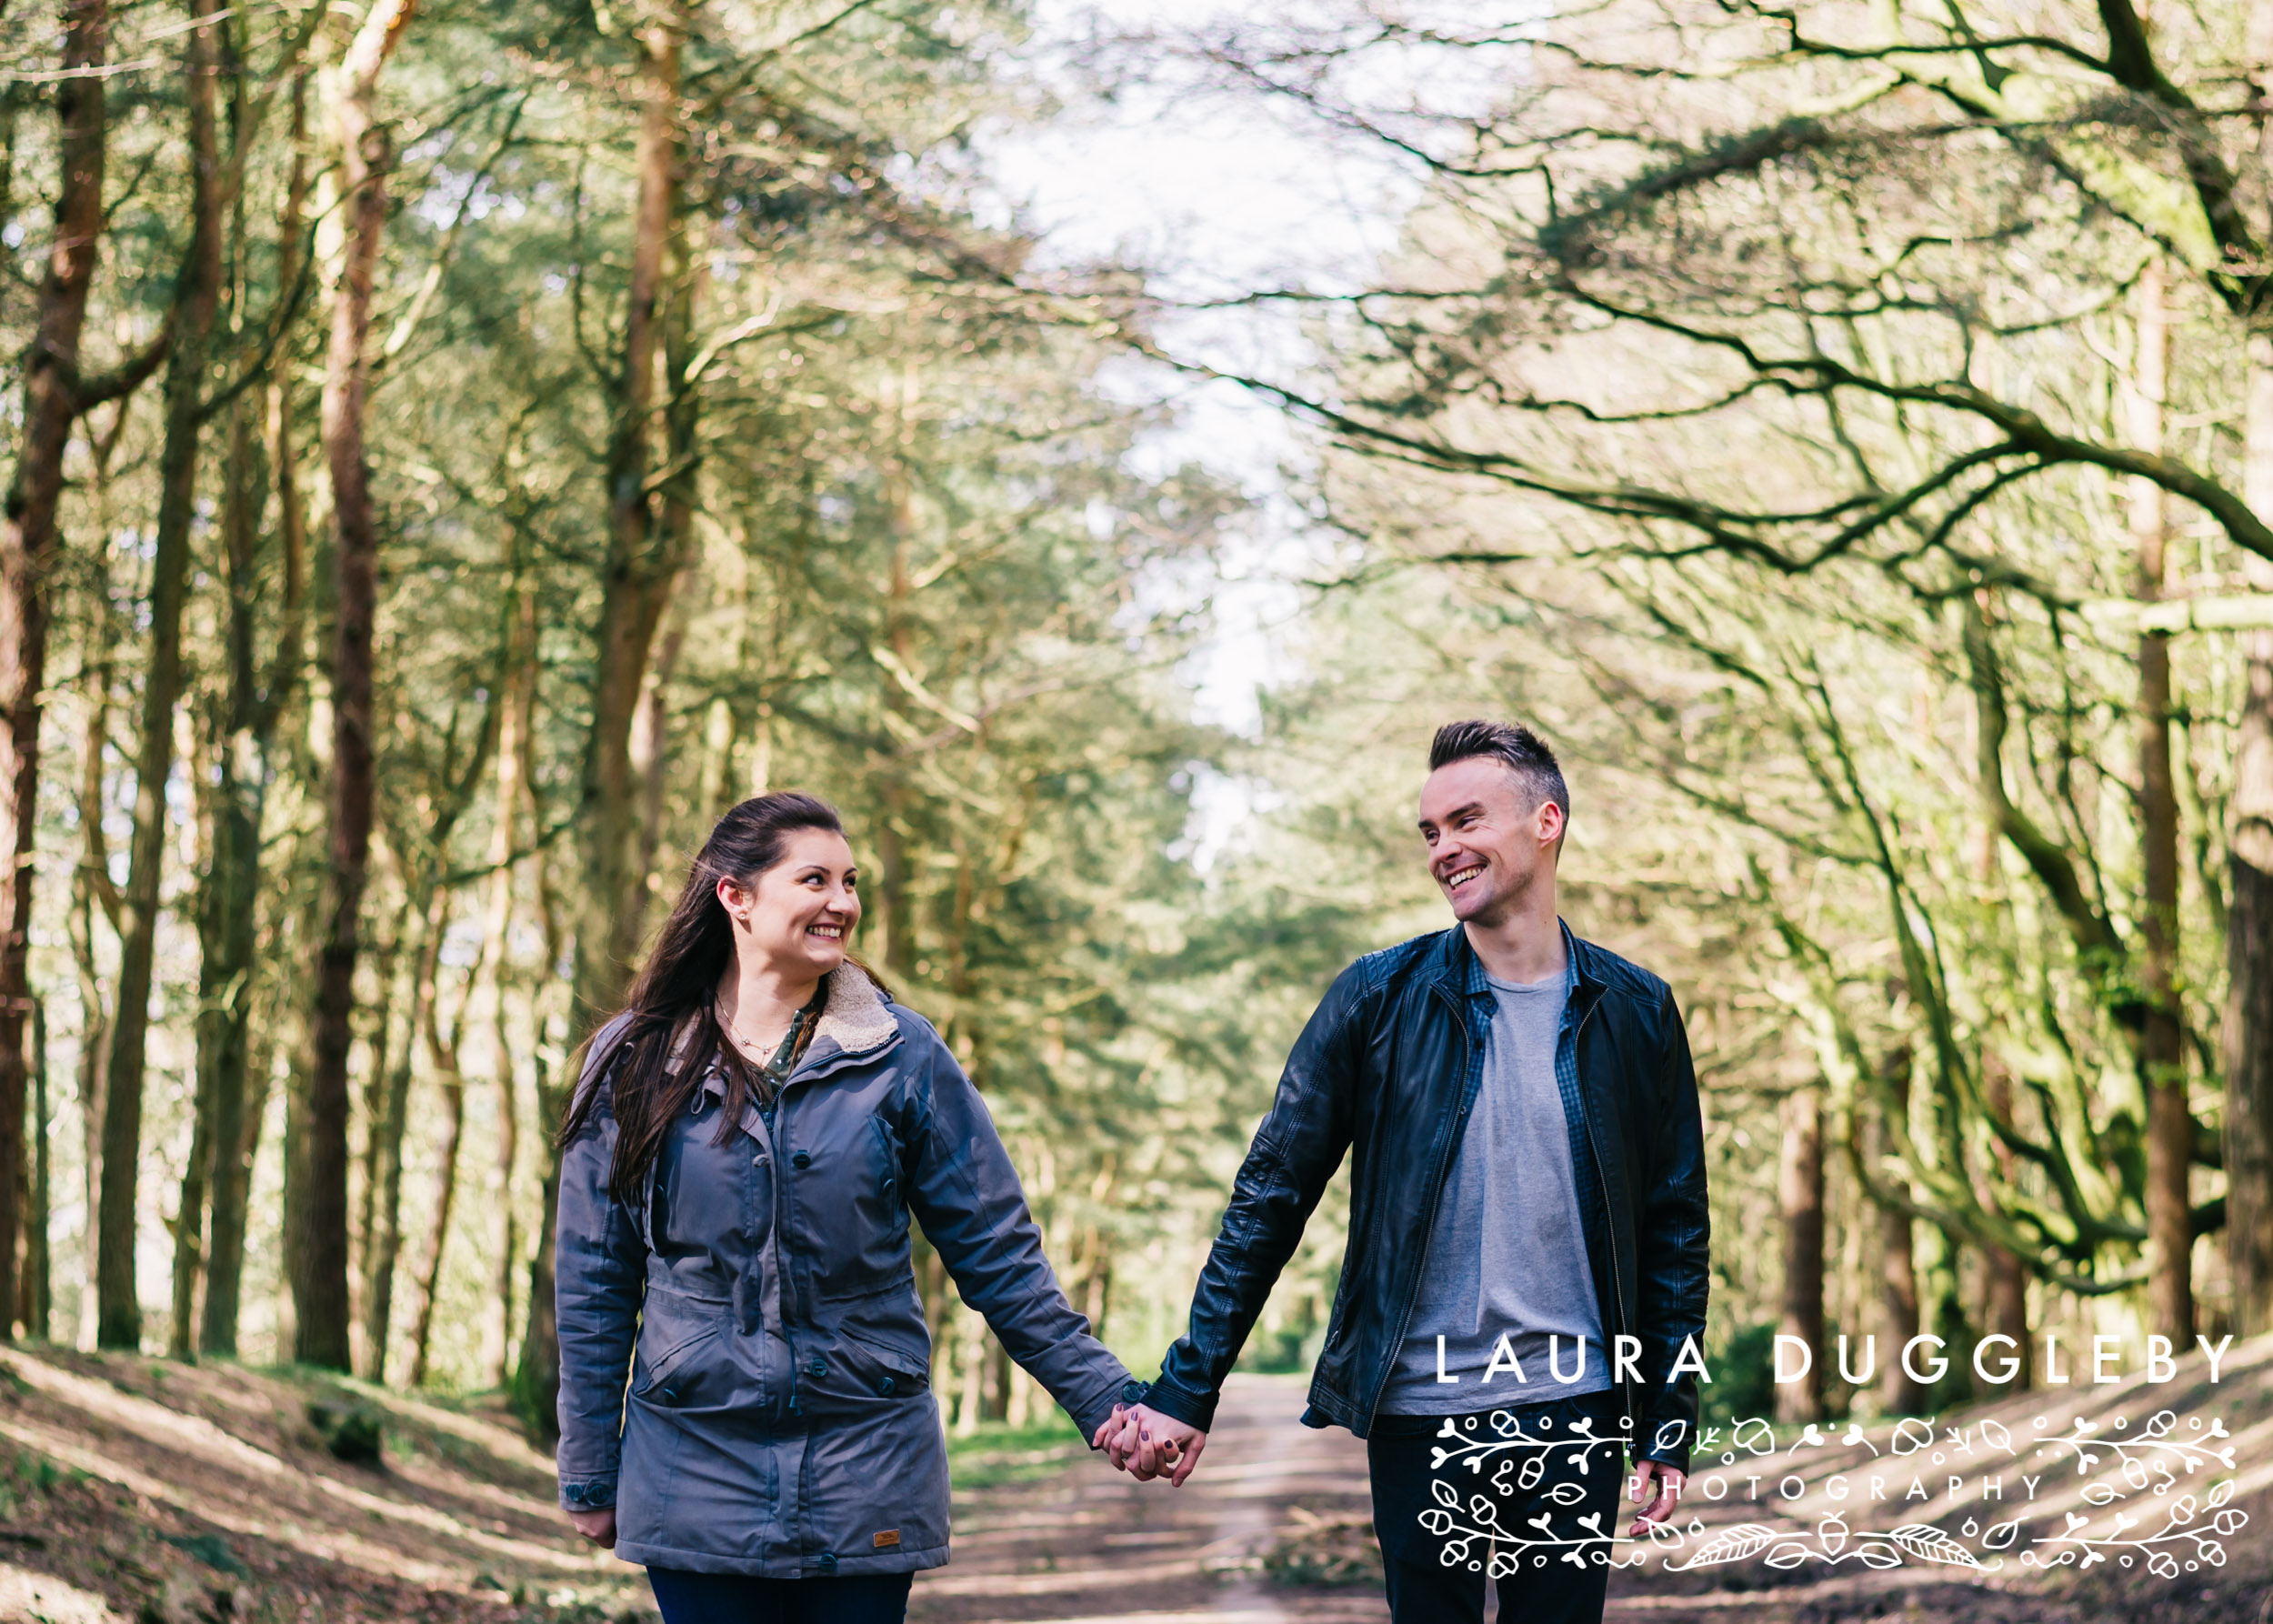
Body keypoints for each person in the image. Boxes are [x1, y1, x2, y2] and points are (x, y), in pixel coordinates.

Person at [1101, 719, 1709, 1624]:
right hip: (1423, 1408)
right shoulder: (1376, 999)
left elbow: (1674, 1229)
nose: (1444, 849)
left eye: (1466, 821)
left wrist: (1667, 1412)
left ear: (1546, 822)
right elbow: (1271, 1196)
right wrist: (1190, 1384)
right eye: (1430, 832)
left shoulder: (1636, 1010)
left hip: (1574, 1407)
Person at [552, 792, 1147, 1624]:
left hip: (867, 1462)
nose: (843, 903)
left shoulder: (903, 1056)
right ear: (736, 896)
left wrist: (1109, 1404)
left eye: (852, 882)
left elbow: (1000, 1258)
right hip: (692, 1465)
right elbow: (593, 1279)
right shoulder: (635, 1059)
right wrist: (588, 1469)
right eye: (816, 879)